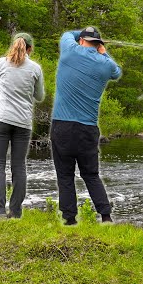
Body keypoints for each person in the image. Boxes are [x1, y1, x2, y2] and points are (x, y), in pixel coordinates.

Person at [51, 26, 122, 225]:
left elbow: (67, 34)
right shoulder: (105, 64)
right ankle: (105, 215)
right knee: (91, 174)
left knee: (65, 175)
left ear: (82, 40)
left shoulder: (69, 50)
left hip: (62, 126)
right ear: (97, 44)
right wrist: (103, 50)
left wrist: (83, 31)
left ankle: (70, 219)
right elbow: (117, 73)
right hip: (88, 129)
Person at [0, 32, 45, 224]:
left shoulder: (0, 63)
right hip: (22, 123)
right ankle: (15, 212)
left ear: (14, 45)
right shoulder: (35, 68)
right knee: (19, 166)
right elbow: (39, 96)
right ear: (30, 49)